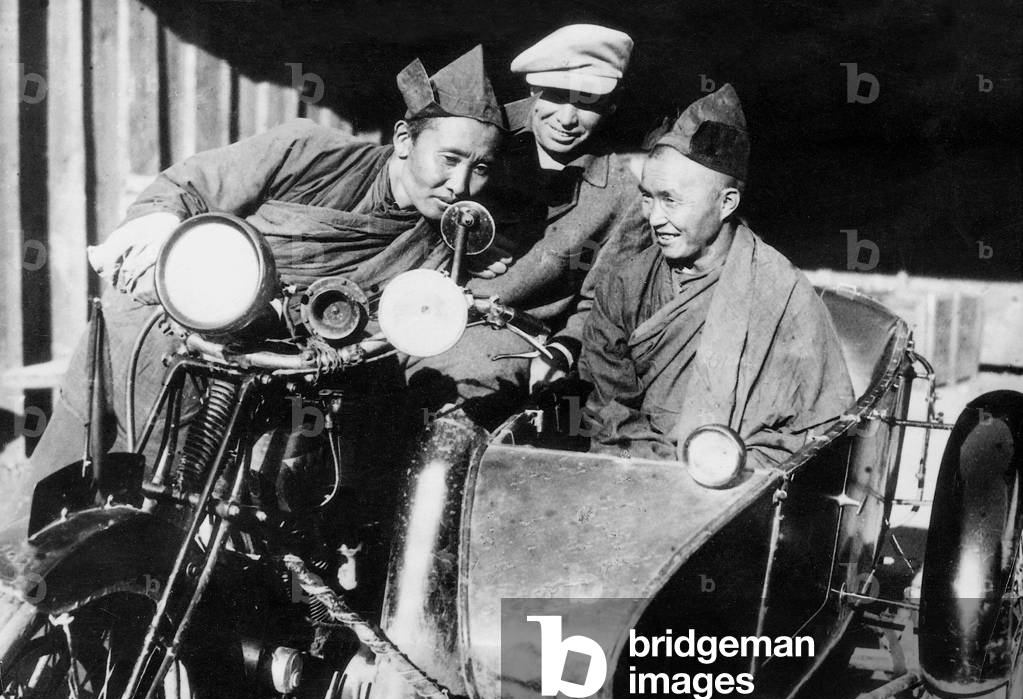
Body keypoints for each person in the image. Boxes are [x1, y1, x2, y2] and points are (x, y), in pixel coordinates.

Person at [13, 46, 510, 520]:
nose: (462, 185)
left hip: (263, 384)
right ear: (404, 140)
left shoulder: (444, 247)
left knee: (195, 530)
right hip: (164, 339)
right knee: (54, 506)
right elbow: (184, 191)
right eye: (450, 159)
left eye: (481, 167)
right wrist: (172, 261)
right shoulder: (306, 150)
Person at [579, 84, 854, 466]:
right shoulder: (625, 283)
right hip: (632, 476)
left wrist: (715, 468)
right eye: (648, 197)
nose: (654, 218)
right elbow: (605, 406)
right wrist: (664, 468)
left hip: (731, 490)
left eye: (671, 200)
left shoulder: (782, 295)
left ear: (726, 203)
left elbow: (809, 433)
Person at [454, 24, 650, 394]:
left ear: (611, 104)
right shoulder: (479, 135)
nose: (566, 118)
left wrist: (562, 350)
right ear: (534, 90)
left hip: (505, 340)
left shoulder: (624, 198)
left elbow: (600, 303)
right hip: (421, 309)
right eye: (557, 95)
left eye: (587, 102)